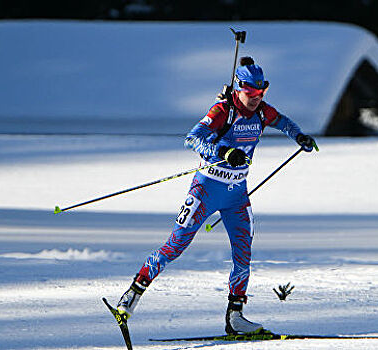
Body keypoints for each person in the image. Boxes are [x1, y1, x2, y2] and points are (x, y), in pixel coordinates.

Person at [116, 56, 316, 334]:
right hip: (206, 190)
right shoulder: (223, 110)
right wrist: (223, 152)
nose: (256, 98)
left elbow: (282, 121)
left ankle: (235, 316)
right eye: (250, 93)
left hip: (236, 195)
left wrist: (299, 136)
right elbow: (192, 138)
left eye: (261, 93)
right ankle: (131, 296)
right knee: (175, 246)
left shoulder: (261, 113)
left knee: (243, 254)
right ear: (239, 88)